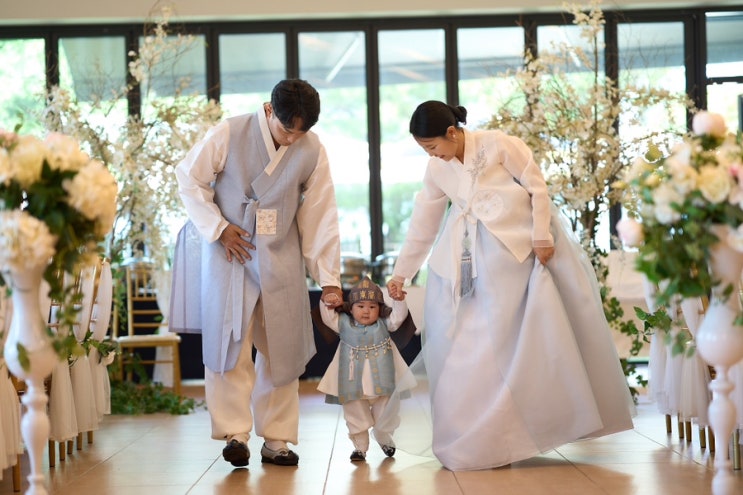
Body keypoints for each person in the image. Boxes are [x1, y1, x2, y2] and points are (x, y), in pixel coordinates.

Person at [385, 100, 635, 471]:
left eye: (433, 146)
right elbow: (424, 220)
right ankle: (477, 439)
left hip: (516, 254)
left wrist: (541, 235)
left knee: (515, 341)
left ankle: (517, 433)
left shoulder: (499, 143)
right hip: (466, 260)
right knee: (468, 344)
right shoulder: (437, 168)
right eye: (425, 150)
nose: (432, 155)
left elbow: (537, 186)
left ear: (452, 132)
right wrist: (401, 273)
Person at [171, 79, 343, 468]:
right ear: (269, 109)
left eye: (301, 132)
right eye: (286, 129)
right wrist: (218, 228)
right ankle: (234, 434)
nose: (292, 138)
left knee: (282, 348)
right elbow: (189, 179)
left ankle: (277, 439)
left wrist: (328, 277)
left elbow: (320, 212)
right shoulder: (229, 132)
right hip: (230, 253)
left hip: (281, 256)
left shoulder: (312, 149)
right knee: (230, 346)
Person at [316, 276, 416, 462]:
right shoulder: (342, 323)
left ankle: (383, 436)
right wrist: (327, 301)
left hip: (383, 380)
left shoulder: (385, 323)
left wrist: (399, 300)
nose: (366, 311)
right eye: (360, 306)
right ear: (350, 308)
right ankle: (360, 446)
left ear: (380, 308)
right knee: (354, 411)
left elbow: (398, 317)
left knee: (386, 409)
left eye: (372, 307)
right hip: (353, 382)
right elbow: (328, 318)